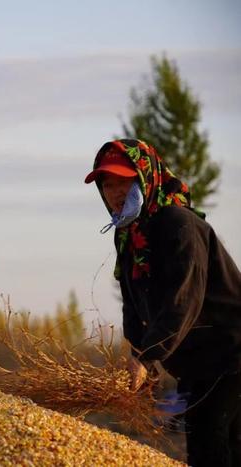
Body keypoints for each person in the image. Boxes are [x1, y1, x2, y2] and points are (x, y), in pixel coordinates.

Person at [85, 138, 241, 467]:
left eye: (123, 181)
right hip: (200, 365)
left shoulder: (180, 225)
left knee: (209, 445)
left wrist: (149, 355)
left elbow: (182, 300)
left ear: (145, 178)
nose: (114, 192)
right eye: (107, 184)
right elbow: (134, 301)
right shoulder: (128, 234)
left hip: (232, 356)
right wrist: (140, 358)